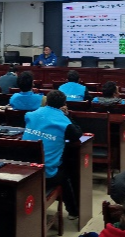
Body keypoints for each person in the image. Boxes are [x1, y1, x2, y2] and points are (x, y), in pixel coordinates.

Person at [22, 90, 82, 218]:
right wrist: (67, 115)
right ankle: (73, 212)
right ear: (63, 105)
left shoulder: (30, 115)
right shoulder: (64, 122)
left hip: (27, 169)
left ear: (46, 102)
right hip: (47, 174)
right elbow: (77, 134)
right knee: (68, 173)